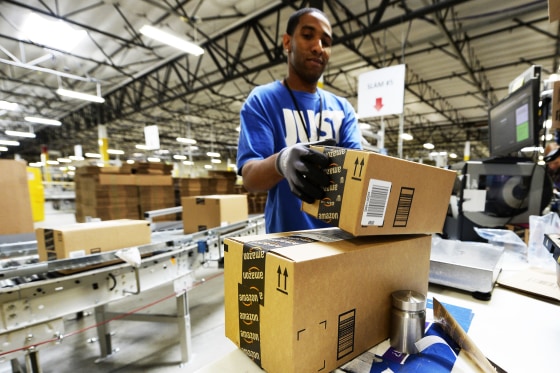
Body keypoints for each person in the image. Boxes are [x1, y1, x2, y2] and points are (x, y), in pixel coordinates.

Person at [236, 7, 362, 233]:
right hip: (287, 245)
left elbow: (358, 172)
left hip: (339, 241)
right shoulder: (263, 100)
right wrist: (281, 161)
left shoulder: (343, 109)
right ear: (287, 42)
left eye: (326, 41)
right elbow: (251, 178)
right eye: (307, 36)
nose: (318, 47)